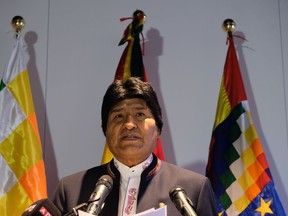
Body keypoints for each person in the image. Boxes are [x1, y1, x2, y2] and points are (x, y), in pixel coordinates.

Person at [52, 77, 217, 215]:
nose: (129, 124)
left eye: (140, 114)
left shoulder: (193, 187)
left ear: (158, 128)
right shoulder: (71, 189)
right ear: (106, 129)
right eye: (118, 116)